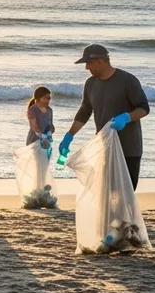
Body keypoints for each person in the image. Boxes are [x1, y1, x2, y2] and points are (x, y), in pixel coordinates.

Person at [59, 44, 150, 189]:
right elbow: (84, 111)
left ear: (101, 60)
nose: (86, 68)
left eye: (89, 63)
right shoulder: (90, 84)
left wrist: (126, 117)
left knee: (125, 193)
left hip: (128, 149)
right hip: (104, 147)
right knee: (106, 193)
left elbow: (144, 108)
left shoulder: (127, 81)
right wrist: (69, 136)